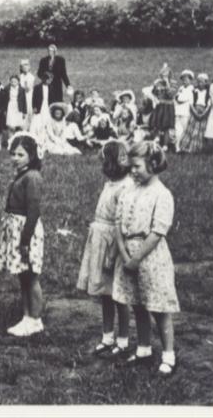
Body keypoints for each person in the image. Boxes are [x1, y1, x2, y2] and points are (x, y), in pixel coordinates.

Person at [112, 141, 179, 377]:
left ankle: (168, 355)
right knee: (137, 304)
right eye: (130, 166)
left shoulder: (162, 194)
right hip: (127, 253)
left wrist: (137, 258)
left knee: (158, 307)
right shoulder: (128, 191)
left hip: (150, 257)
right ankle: (143, 349)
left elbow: (158, 232)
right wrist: (123, 253)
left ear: (153, 164)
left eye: (137, 166)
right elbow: (118, 223)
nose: (132, 171)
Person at [76, 141, 132, 359]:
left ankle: (124, 340)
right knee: (105, 294)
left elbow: (122, 225)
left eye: (105, 161)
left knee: (119, 295)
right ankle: (107, 336)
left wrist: (112, 253)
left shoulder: (124, 187)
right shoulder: (110, 184)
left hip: (113, 243)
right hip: (101, 238)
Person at [0, 133, 45, 337]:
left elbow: (33, 210)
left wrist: (25, 239)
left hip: (26, 230)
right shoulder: (21, 174)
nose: (15, 158)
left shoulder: (32, 177)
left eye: (21, 154)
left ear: (32, 156)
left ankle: (35, 319)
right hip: (16, 228)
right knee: (23, 276)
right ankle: (26, 316)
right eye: (13, 154)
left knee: (31, 276)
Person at [177, 73, 210, 154]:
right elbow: (191, 104)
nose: (200, 84)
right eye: (198, 82)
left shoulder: (208, 93)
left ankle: (197, 148)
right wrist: (195, 113)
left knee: (200, 131)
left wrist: (203, 114)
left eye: (202, 82)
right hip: (194, 112)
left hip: (203, 113)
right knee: (191, 130)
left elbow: (209, 105)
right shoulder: (195, 92)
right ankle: (186, 147)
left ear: (206, 83)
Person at [148, 79, 176, 151]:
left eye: (166, 75)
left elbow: (171, 95)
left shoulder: (172, 83)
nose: (164, 77)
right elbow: (153, 93)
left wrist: (167, 84)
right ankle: (156, 142)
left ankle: (165, 145)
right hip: (159, 106)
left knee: (166, 126)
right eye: (163, 75)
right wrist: (155, 86)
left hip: (168, 107)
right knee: (157, 124)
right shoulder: (159, 83)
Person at [174, 70, 195, 146]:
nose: (184, 81)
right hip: (177, 111)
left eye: (186, 80)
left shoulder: (191, 89)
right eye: (183, 80)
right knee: (178, 130)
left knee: (185, 129)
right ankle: (177, 146)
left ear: (190, 80)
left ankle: (184, 145)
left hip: (185, 112)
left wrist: (177, 98)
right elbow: (176, 98)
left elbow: (181, 99)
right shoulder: (181, 88)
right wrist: (177, 98)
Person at [18, 60, 36, 130]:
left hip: (29, 97)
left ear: (29, 67)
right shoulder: (20, 76)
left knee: (29, 112)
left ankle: (30, 129)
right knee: (22, 114)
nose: (25, 67)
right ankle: (23, 129)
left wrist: (22, 87)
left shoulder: (31, 77)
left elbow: (27, 89)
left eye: (26, 65)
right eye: (23, 66)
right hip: (21, 97)